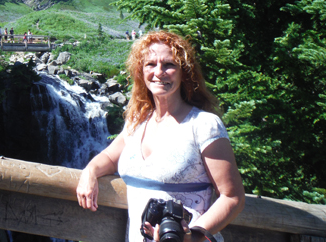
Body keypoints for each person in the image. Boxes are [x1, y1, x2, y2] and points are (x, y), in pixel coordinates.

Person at [76, 31, 245, 242]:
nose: (159, 72)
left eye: (169, 65)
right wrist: (89, 172)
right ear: (140, 71)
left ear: (184, 72)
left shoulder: (204, 125)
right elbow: (110, 159)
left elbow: (232, 197)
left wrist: (192, 237)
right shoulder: (137, 121)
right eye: (150, 64)